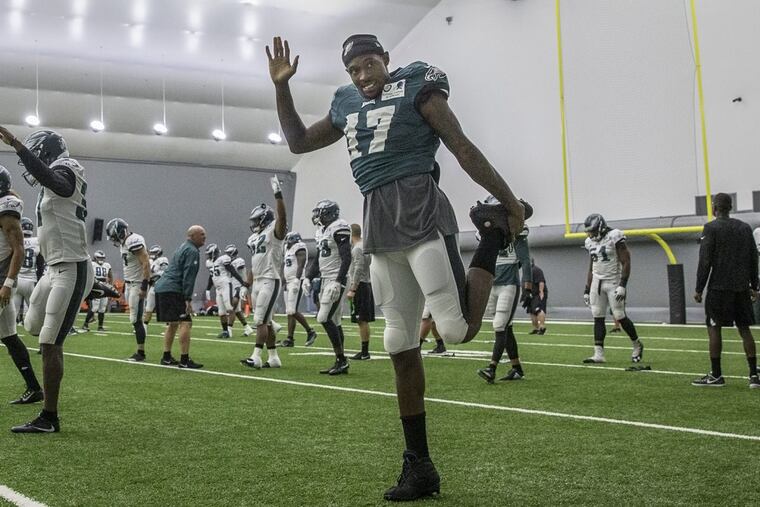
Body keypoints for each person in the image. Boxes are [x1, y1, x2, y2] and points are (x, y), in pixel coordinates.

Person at [266, 34, 526, 500]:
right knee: (399, 344)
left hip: (422, 214)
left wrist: (510, 204)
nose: (363, 76)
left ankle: (491, 236)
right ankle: (420, 465)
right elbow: (299, 140)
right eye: (354, 70)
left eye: (370, 64)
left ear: (386, 59)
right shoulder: (346, 101)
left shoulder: (417, 86)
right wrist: (282, 87)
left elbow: (461, 146)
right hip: (380, 226)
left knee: (455, 330)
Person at [1, 127, 95, 433]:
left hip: (72, 266)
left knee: (50, 342)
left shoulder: (68, 167)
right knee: (30, 325)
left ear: (47, 152)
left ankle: (49, 418)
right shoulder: (50, 181)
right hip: (52, 269)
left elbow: (58, 183)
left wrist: (17, 145)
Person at [692, 193, 759, 388]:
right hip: (740, 287)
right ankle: (754, 375)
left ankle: (716, 375)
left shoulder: (711, 228)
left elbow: (705, 260)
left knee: (714, 328)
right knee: (744, 329)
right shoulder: (745, 228)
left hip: (719, 287)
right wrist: (754, 286)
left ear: (714, 208)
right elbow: (753, 259)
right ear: (730, 207)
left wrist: (699, 288)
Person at [0, 167, 44, 405]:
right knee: (9, 336)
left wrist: (7, 283)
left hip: (1, 278)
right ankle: (34, 388)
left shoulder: (6, 209)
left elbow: (19, 249)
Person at [581, 213, 643, 364]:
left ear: (601, 227)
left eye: (593, 231)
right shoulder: (589, 242)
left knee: (619, 315)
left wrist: (623, 284)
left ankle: (637, 344)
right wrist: (587, 289)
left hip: (613, 281)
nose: (591, 234)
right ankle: (599, 354)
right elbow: (591, 266)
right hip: (597, 281)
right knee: (597, 315)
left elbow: (626, 261)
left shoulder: (614, 235)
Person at [241, 177, 287, 369]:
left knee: (260, 320)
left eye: (256, 220)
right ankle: (274, 357)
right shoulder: (254, 237)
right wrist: (246, 284)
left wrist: (278, 195)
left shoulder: (273, 232)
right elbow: (254, 263)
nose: (253, 223)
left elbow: (282, 219)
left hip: (270, 279)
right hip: (258, 280)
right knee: (266, 321)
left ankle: (256, 356)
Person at [478, 221, 532, 383]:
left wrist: (527, 287)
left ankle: (491, 368)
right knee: (505, 327)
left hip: (508, 285)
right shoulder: (488, 235)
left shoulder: (517, 234)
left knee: (499, 325)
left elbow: (526, 261)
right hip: (493, 286)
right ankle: (517, 368)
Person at [303, 200, 352, 375]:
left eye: (321, 213)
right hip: (325, 279)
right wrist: (308, 277)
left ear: (330, 214)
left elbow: (347, 256)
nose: (317, 217)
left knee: (323, 317)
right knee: (336, 321)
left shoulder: (339, 226)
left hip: (336, 279)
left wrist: (339, 281)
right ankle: (341, 361)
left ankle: (342, 359)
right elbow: (318, 260)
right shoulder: (321, 231)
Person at [154, 225, 206, 369]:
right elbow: (188, 276)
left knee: (173, 323)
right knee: (186, 322)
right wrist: (188, 298)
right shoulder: (192, 251)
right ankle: (184, 359)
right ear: (192, 236)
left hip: (162, 287)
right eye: (201, 234)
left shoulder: (182, 247)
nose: (204, 237)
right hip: (173, 289)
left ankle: (166, 357)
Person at [105, 218, 151, 361]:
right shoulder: (125, 243)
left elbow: (146, 263)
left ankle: (141, 352)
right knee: (134, 319)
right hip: (130, 283)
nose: (114, 239)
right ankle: (140, 350)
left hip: (137, 284)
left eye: (114, 236)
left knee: (136, 319)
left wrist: (144, 285)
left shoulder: (134, 240)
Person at [280, 232, 317, 347]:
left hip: (296, 281)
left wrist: (296, 279)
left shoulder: (299, 247)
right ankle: (290, 338)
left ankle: (310, 331)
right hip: (288, 281)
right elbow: (286, 266)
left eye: (289, 240)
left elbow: (300, 265)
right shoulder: (288, 248)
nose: (288, 243)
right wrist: (282, 280)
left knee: (292, 310)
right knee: (289, 312)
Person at [206, 243, 248, 339]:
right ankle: (225, 331)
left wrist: (242, 282)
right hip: (218, 288)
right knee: (221, 312)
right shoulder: (209, 263)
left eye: (209, 253)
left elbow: (233, 271)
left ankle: (229, 330)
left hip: (226, 285)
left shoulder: (223, 259)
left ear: (213, 253)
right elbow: (211, 276)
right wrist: (208, 288)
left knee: (230, 307)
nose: (207, 256)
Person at [347, 223, 375, 360]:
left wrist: (353, 288)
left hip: (361, 285)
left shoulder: (357, 249)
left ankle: (364, 352)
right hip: (366, 284)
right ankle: (364, 351)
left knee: (361, 320)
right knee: (362, 320)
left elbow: (358, 268)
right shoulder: (364, 246)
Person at [14, 216, 44, 324]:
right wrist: (39, 281)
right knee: (32, 311)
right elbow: (41, 265)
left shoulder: (15, 239)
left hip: (16, 280)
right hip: (31, 280)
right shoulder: (37, 242)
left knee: (13, 312)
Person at [224, 244, 255, 337]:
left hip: (239, 286)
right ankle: (247, 328)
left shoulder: (239, 261)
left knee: (232, 307)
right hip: (232, 286)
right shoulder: (230, 262)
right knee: (236, 310)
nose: (227, 256)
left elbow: (239, 270)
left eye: (229, 253)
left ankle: (229, 330)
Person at [82, 250, 112, 331]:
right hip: (96, 287)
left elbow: (110, 276)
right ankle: (85, 324)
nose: (101, 259)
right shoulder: (92, 264)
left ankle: (100, 326)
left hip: (104, 287)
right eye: (99, 257)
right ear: (95, 258)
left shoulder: (107, 265)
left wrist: (110, 287)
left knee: (102, 308)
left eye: (102, 258)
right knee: (94, 308)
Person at [143, 244, 169, 329]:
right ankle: (144, 327)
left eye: (154, 252)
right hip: (153, 287)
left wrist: (153, 277)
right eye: (152, 252)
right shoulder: (150, 261)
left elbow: (165, 272)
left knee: (164, 308)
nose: (152, 254)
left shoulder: (163, 259)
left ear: (158, 253)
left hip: (161, 287)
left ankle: (168, 328)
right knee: (148, 308)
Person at [527, 259, 548, 335]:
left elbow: (541, 281)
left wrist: (541, 292)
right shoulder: (527, 271)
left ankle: (542, 327)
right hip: (531, 294)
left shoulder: (536, 270)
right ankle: (536, 328)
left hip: (537, 294)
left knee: (538, 309)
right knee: (531, 311)